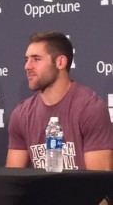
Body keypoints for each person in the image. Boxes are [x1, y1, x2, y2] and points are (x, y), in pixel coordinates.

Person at [6, 32, 113, 171]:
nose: (27, 66)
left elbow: (99, 183)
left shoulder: (90, 108)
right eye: (26, 59)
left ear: (60, 62)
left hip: (83, 192)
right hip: (42, 192)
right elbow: (14, 179)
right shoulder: (21, 114)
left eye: (36, 59)